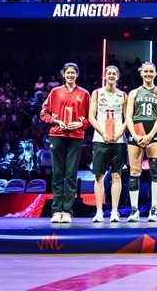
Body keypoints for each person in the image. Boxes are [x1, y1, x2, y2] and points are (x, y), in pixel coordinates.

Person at [40, 63, 90, 224]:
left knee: (71, 174)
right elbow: (43, 113)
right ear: (63, 74)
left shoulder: (84, 94)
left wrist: (80, 124)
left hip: (76, 136)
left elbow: (91, 117)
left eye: (73, 73)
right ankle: (56, 210)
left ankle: (67, 211)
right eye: (67, 72)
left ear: (77, 74)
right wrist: (56, 121)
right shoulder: (55, 92)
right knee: (57, 174)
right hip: (57, 135)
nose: (70, 75)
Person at [124, 62, 157, 222]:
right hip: (136, 131)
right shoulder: (134, 93)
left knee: (155, 171)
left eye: (151, 71)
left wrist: (150, 135)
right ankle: (134, 210)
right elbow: (128, 116)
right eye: (146, 71)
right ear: (141, 73)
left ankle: (153, 210)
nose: (148, 74)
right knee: (134, 171)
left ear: (155, 74)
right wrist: (135, 135)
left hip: (153, 132)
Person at [88, 66, 128, 223]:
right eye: (109, 73)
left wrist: (119, 134)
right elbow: (91, 116)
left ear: (118, 77)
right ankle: (99, 212)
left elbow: (127, 118)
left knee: (117, 175)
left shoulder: (123, 95)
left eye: (114, 74)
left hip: (118, 140)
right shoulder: (97, 93)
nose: (111, 76)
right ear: (104, 76)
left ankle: (114, 212)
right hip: (100, 139)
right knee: (99, 175)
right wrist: (102, 133)